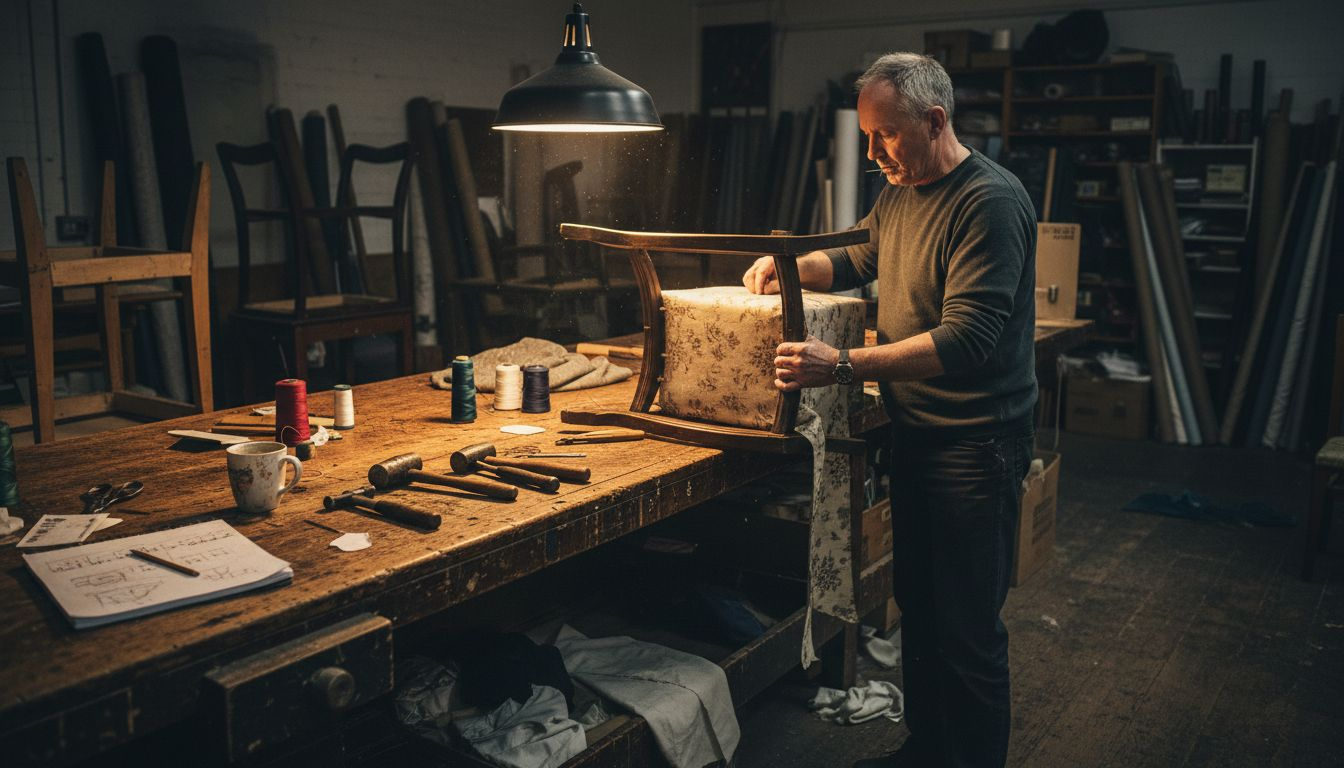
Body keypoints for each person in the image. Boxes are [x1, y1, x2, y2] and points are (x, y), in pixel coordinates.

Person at [742, 52, 1037, 768]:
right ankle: (929, 749)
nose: (874, 155)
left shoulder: (988, 203)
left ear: (935, 121)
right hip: (919, 437)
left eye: (886, 137)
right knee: (922, 612)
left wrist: (840, 364)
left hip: (976, 447)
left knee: (966, 631)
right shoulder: (903, 192)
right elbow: (854, 258)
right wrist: (785, 267)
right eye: (867, 138)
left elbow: (968, 339)